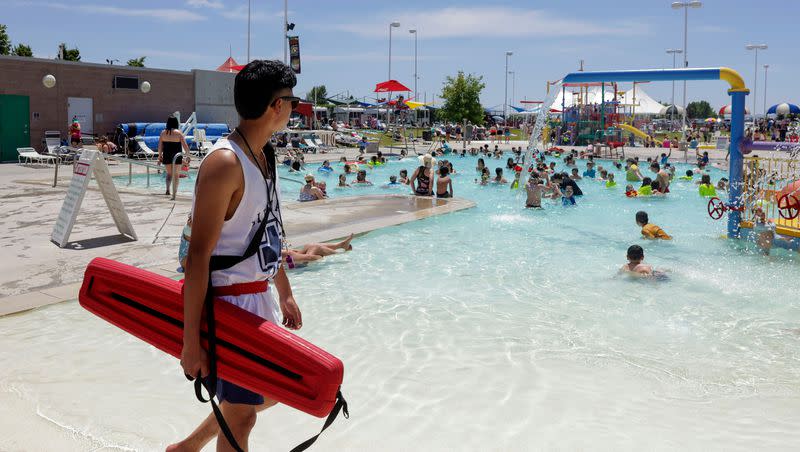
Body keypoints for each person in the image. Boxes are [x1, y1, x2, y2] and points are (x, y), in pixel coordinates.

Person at [173, 60, 303, 452]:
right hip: (228, 305)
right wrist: (190, 341)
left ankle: (185, 449)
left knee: (264, 395)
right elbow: (198, 259)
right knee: (243, 415)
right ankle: (187, 448)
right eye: (291, 101)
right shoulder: (225, 163)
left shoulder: (265, 157)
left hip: (256, 297)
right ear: (274, 107)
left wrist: (283, 289)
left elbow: (266, 232)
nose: (294, 109)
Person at [158, 115, 191, 196]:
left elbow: (160, 146)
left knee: (169, 174)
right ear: (176, 123)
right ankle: (175, 192)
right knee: (176, 175)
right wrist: (188, 155)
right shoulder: (178, 133)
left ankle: (167, 189)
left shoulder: (163, 133)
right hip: (177, 155)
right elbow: (185, 146)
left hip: (167, 155)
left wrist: (159, 155)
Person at [284, 234, 354, 267]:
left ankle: (340, 245)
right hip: (292, 266)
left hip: (289, 262)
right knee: (316, 248)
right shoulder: (282, 253)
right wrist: (320, 256)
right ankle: (340, 253)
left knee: (309, 245)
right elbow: (310, 258)